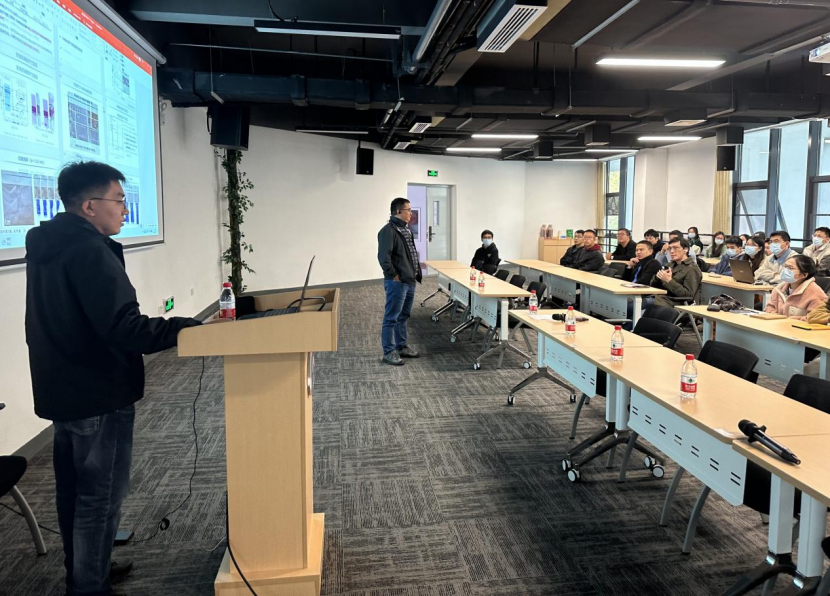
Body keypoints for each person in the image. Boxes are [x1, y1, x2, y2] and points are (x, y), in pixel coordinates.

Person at [25, 161, 206, 596]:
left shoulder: (49, 244)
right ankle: (90, 586)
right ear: (89, 205)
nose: (125, 209)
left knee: (74, 492)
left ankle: (88, 572)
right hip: (97, 392)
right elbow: (123, 326)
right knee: (99, 496)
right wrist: (184, 328)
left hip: (64, 387)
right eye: (120, 200)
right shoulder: (88, 250)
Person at [378, 198, 422, 366]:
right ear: (398, 212)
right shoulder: (388, 231)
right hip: (397, 282)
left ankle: (401, 346)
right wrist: (394, 275)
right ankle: (388, 352)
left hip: (409, 280)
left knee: (403, 316)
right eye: (408, 210)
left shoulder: (406, 229)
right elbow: (384, 258)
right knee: (391, 317)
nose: (411, 213)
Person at [764, 255, 827, 320]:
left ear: (804, 275)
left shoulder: (815, 294)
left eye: (790, 268)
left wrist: (791, 319)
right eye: (785, 266)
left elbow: (815, 318)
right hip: (777, 325)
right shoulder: (779, 289)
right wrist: (776, 316)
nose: (785, 270)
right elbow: (769, 308)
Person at [649, 237, 702, 308]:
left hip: (676, 303)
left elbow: (688, 295)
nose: (671, 251)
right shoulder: (670, 265)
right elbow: (653, 286)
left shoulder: (692, 269)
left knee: (639, 306)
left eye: (675, 248)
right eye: (670, 248)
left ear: (685, 249)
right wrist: (657, 277)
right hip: (661, 299)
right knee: (637, 302)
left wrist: (669, 281)